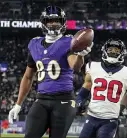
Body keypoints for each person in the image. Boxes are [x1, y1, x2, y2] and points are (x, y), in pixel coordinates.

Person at [8, 6, 93, 138]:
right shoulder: (34, 44)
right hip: (41, 99)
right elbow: (28, 76)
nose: (54, 24)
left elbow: (74, 67)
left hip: (63, 101)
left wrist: (80, 55)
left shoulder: (68, 42)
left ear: (63, 22)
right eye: (50, 21)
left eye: (57, 21)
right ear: (44, 22)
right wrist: (18, 104)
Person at [76, 38, 127, 138]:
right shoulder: (93, 66)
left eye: (117, 50)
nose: (113, 52)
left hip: (110, 120)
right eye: (111, 50)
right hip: (92, 117)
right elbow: (83, 92)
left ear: (122, 53)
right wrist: (79, 102)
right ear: (104, 51)